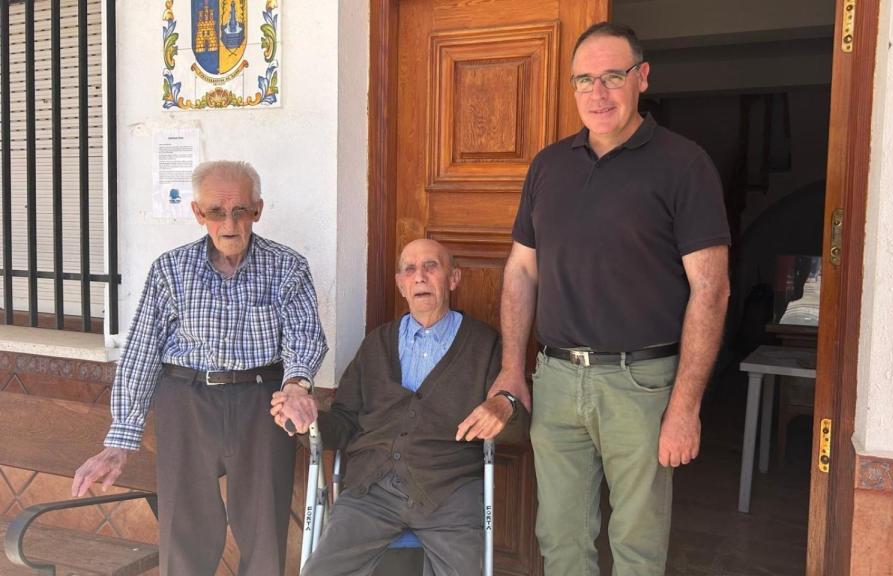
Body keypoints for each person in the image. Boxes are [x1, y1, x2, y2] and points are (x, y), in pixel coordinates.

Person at [490, 22, 732, 575]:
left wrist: (685, 406)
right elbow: (521, 271)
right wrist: (511, 368)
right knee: (561, 541)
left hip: (642, 385)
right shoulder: (548, 166)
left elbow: (712, 291)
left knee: (637, 546)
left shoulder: (684, 164)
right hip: (555, 380)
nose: (597, 94)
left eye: (612, 77)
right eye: (584, 80)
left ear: (641, 78)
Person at [72, 160, 328, 576]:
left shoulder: (288, 267)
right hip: (186, 400)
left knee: (264, 526)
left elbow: (305, 336)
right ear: (197, 214)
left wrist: (297, 385)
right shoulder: (169, 270)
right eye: (216, 212)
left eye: (240, 210)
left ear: (258, 210)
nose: (230, 223)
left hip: (261, 401)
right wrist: (121, 440)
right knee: (185, 529)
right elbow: (142, 351)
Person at [272, 238, 519, 576]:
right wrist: (308, 423)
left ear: (453, 278)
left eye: (431, 266)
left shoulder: (484, 344)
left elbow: (515, 422)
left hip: (449, 489)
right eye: (410, 269)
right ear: (401, 285)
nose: (420, 277)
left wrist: (504, 408)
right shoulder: (376, 343)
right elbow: (344, 421)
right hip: (371, 489)